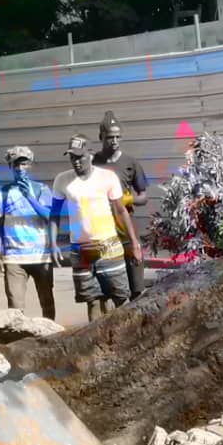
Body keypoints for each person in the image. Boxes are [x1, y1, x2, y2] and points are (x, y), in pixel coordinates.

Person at [50, 135, 142, 323]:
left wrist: (134, 243)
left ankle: (120, 339)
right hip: (80, 249)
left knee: (119, 298)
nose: (76, 161)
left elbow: (120, 210)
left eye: (80, 157)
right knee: (92, 300)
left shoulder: (107, 177)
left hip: (108, 245)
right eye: (72, 157)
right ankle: (95, 344)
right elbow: (54, 214)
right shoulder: (62, 180)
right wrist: (53, 243)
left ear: (90, 155)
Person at [0, 146, 56, 320]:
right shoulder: (3, 194)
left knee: (47, 302)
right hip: (14, 258)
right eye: (16, 165)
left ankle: (52, 338)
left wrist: (30, 197)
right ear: (11, 167)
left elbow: (50, 217)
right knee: (15, 308)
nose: (21, 169)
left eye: (25, 164)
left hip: (41, 256)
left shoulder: (42, 190)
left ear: (31, 165)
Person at [93, 112, 150, 299]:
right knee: (107, 288)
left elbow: (144, 197)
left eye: (118, 137)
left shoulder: (131, 163)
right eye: (110, 137)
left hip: (126, 227)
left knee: (136, 281)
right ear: (101, 137)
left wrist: (128, 199)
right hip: (100, 228)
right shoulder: (92, 163)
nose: (114, 141)